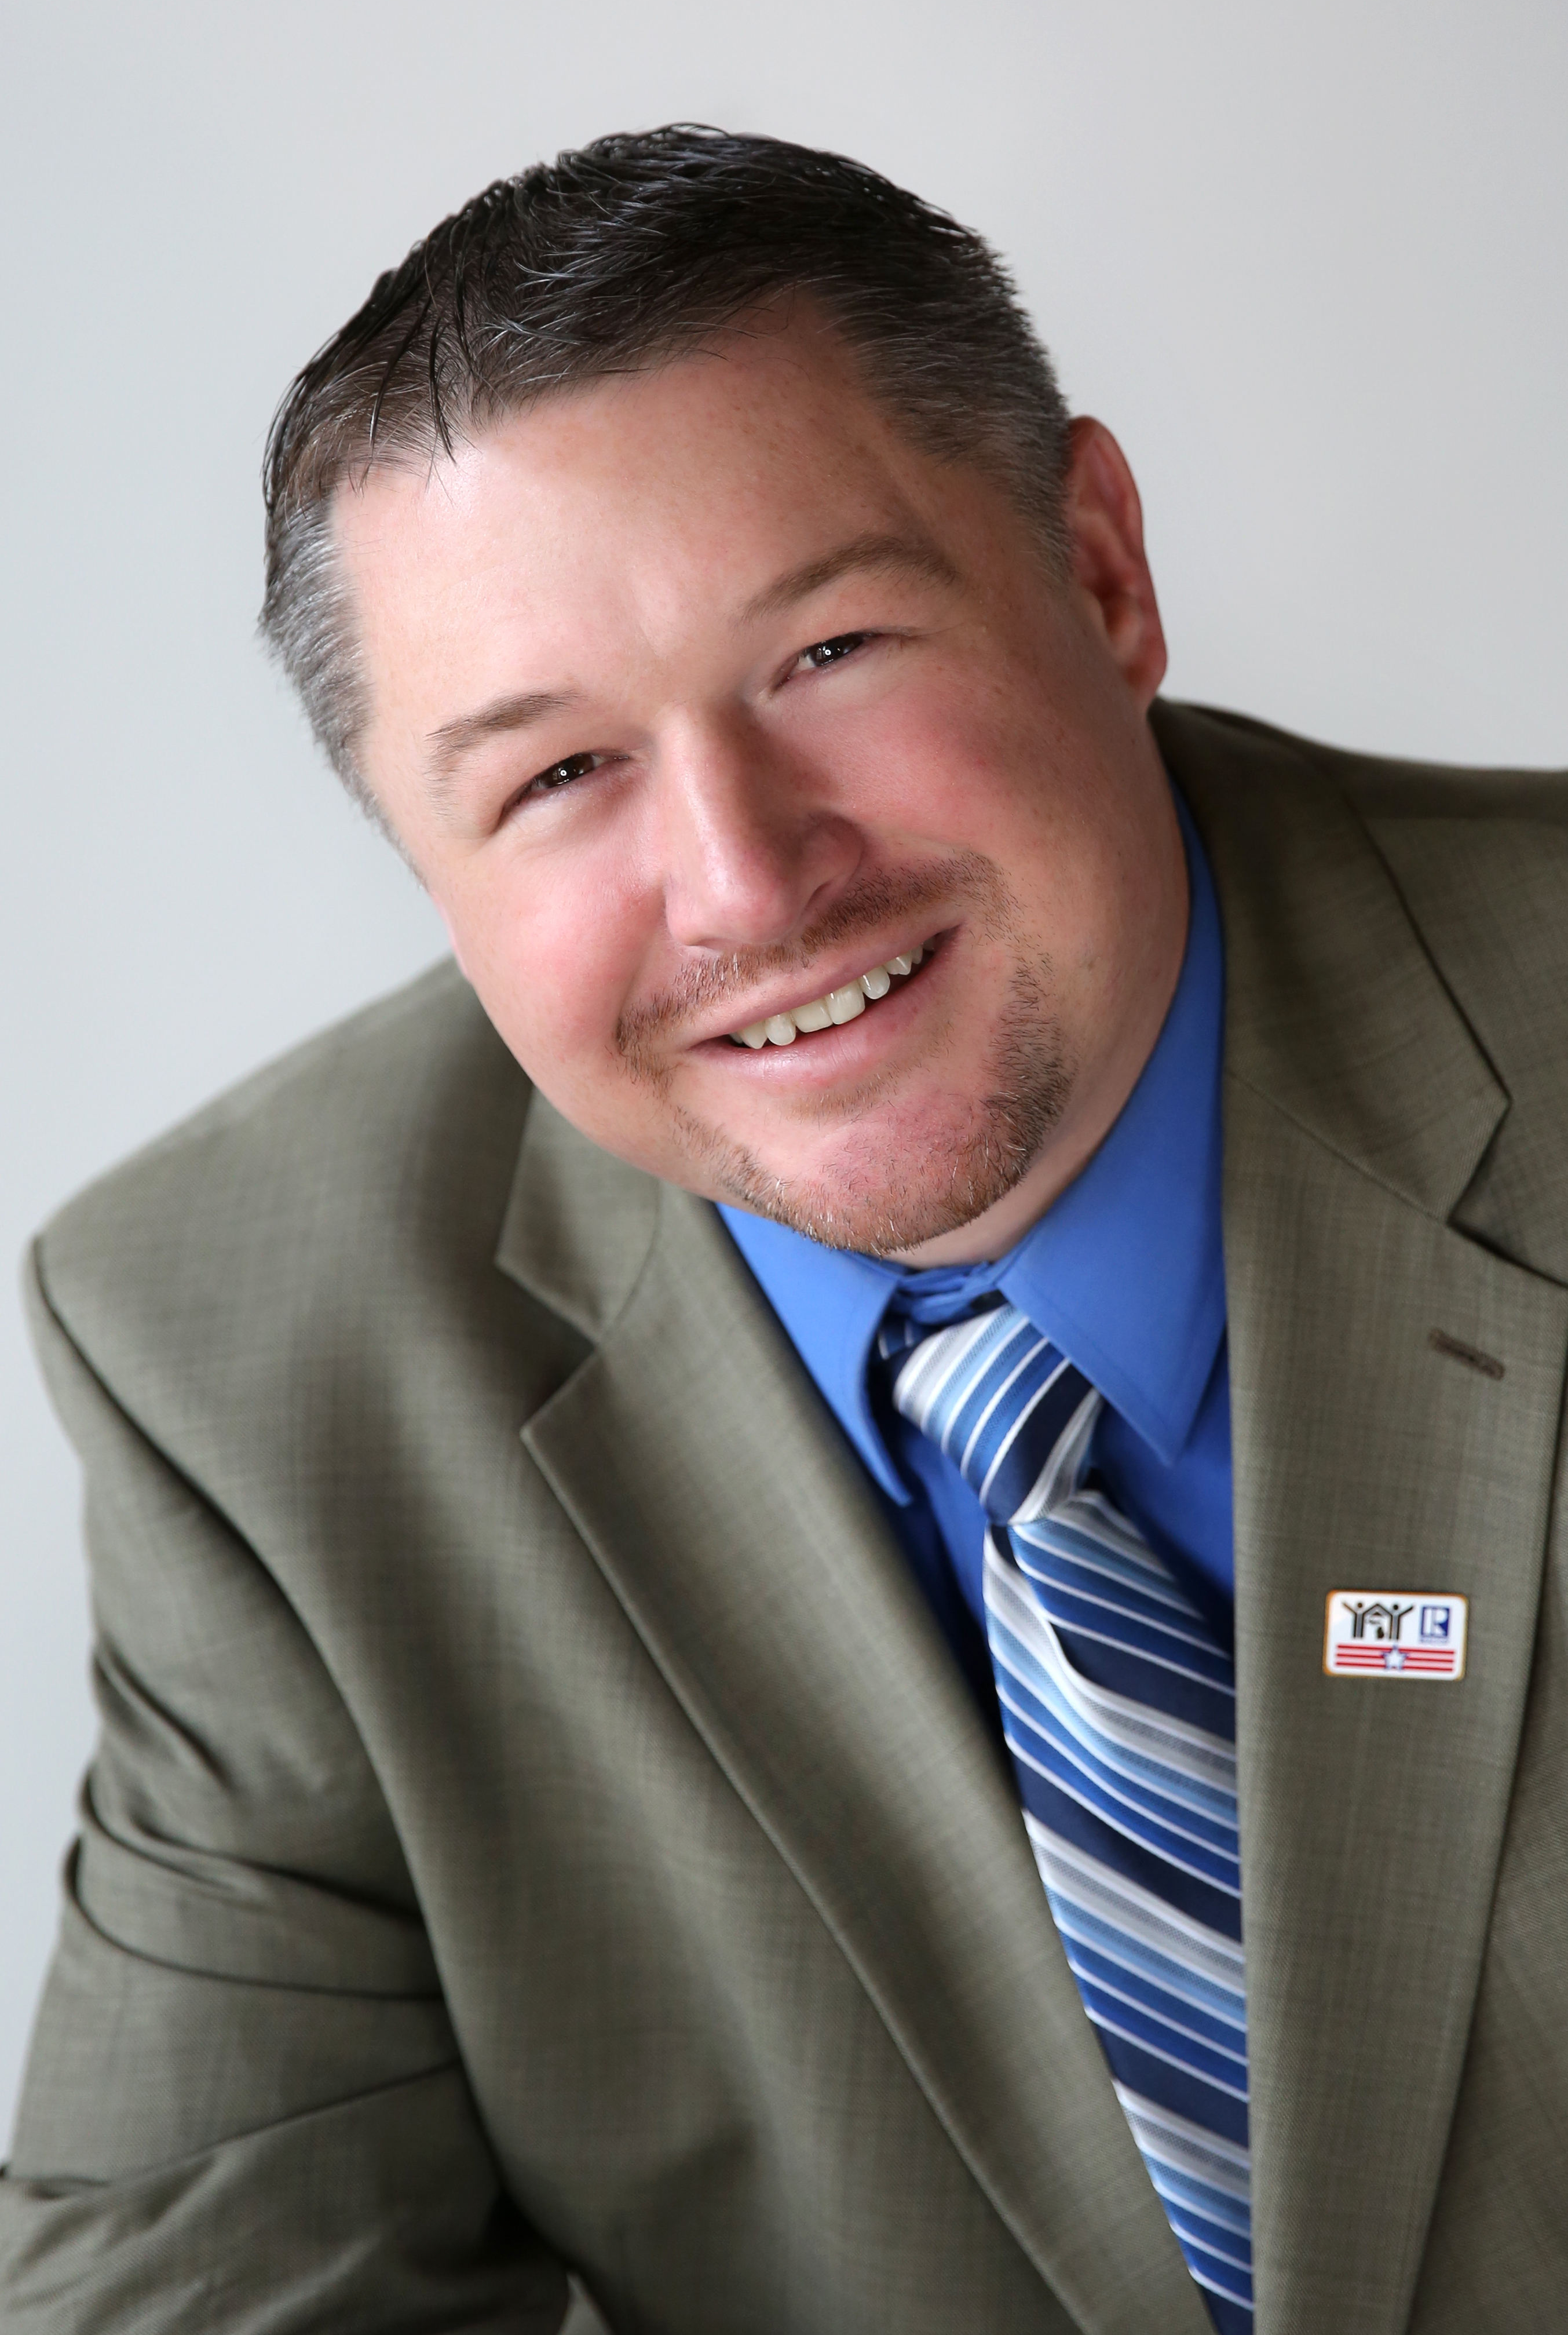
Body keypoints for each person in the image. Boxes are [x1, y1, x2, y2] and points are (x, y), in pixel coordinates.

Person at [2, 127, 1565, 2335]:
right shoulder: (244, 1352)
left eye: (827, 648)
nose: (746, 883)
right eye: (555, 776)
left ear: (1100, 574)